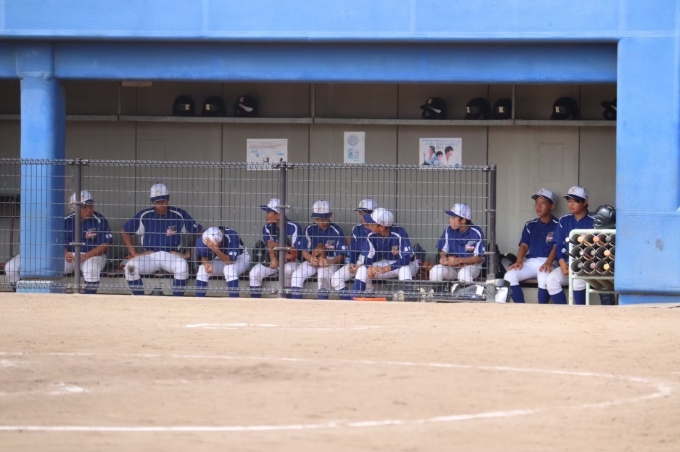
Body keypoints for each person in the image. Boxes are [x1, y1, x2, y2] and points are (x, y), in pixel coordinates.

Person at [5, 190, 112, 294]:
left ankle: (88, 300)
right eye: (85, 206)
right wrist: (65, 253)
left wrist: (84, 256)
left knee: (91, 269)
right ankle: (25, 296)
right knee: (22, 267)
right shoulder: (64, 220)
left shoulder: (100, 220)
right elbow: (58, 242)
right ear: (74, 208)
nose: (89, 209)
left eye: (91, 205)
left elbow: (104, 246)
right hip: (70, 257)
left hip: (91, 256)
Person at [121, 183, 202, 296]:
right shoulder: (145, 215)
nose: (161, 205)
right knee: (130, 267)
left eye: (163, 201)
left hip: (171, 255)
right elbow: (124, 231)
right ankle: (139, 299)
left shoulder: (179, 214)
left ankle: (177, 300)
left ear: (168, 198)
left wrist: (188, 253)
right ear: (153, 202)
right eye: (157, 202)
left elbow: (199, 232)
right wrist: (134, 254)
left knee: (182, 266)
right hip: (150, 256)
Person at [503, 189, 559, 303]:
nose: (538, 206)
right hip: (531, 262)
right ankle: (522, 308)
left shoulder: (559, 224)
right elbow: (524, 245)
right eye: (536, 203)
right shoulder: (530, 225)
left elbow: (557, 246)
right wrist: (519, 260)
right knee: (509, 276)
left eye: (543, 203)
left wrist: (548, 262)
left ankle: (541, 309)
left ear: (552, 206)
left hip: (549, 261)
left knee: (544, 278)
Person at [350, 208, 416, 296]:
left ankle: (408, 297)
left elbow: (406, 259)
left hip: (408, 264)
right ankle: (359, 299)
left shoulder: (400, 233)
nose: (369, 224)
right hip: (386, 263)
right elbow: (368, 257)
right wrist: (369, 268)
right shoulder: (371, 234)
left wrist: (385, 269)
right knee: (362, 270)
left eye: (372, 222)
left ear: (381, 227)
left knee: (404, 269)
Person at [546, 186, 594, 305]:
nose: (571, 204)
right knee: (551, 280)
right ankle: (565, 312)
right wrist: (562, 263)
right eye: (569, 201)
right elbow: (559, 244)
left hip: (586, 264)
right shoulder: (564, 220)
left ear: (585, 202)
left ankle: (580, 312)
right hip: (568, 263)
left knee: (577, 281)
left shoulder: (593, 220)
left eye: (575, 201)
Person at [248, 198, 303, 297]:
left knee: (287, 270)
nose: (267, 215)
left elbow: (296, 251)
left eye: (269, 212)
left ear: (279, 215)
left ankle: (287, 299)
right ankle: (255, 303)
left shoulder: (294, 226)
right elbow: (270, 246)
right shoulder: (267, 228)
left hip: (292, 261)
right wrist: (273, 259)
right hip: (275, 260)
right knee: (255, 272)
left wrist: (278, 246)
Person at [291, 200, 345, 299]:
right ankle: (296, 303)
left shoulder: (337, 230)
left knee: (323, 276)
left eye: (323, 218)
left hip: (330, 260)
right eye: (317, 218)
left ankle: (322, 304)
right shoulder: (309, 229)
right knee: (296, 275)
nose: (320, 221)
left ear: (330, 215)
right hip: (312, 260)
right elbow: (303, 251)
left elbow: (341, 256)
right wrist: (311, 258)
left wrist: (329, 262)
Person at [331, 198, 378, 300]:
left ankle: (369, 299)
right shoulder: (357, 229)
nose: (362, 216)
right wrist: (352, 263)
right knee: (336, 278)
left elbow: (380, 253)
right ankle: (349, 303)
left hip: (375, 262)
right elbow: (354, 250)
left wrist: (362, 265)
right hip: (359, 260)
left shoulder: (378, 229)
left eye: (366, 213)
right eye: (361, 213)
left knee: (363, 274)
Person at [429, 203, 485, 283]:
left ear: (463, 220)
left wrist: (460, 260)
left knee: (463, 274)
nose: (450, 220)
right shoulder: (449, 229)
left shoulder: (476, 232)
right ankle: (438, 291)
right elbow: (443, 251)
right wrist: (443, 258)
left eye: (453, 217)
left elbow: (479, 258)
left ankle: (467, 291)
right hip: (452, 267)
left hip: (471, 267)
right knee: (436, 270)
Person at [195, 226, 251, 298]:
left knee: (229, 269)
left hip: (241, 258)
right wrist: (206, 263)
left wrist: (215, 250)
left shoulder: (232, 235)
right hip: (221, 257)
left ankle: (234, 300)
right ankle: (199, 300)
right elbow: (204, 256)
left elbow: (230, 261)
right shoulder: (209, 233)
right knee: (202, 269)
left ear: (219, 244)